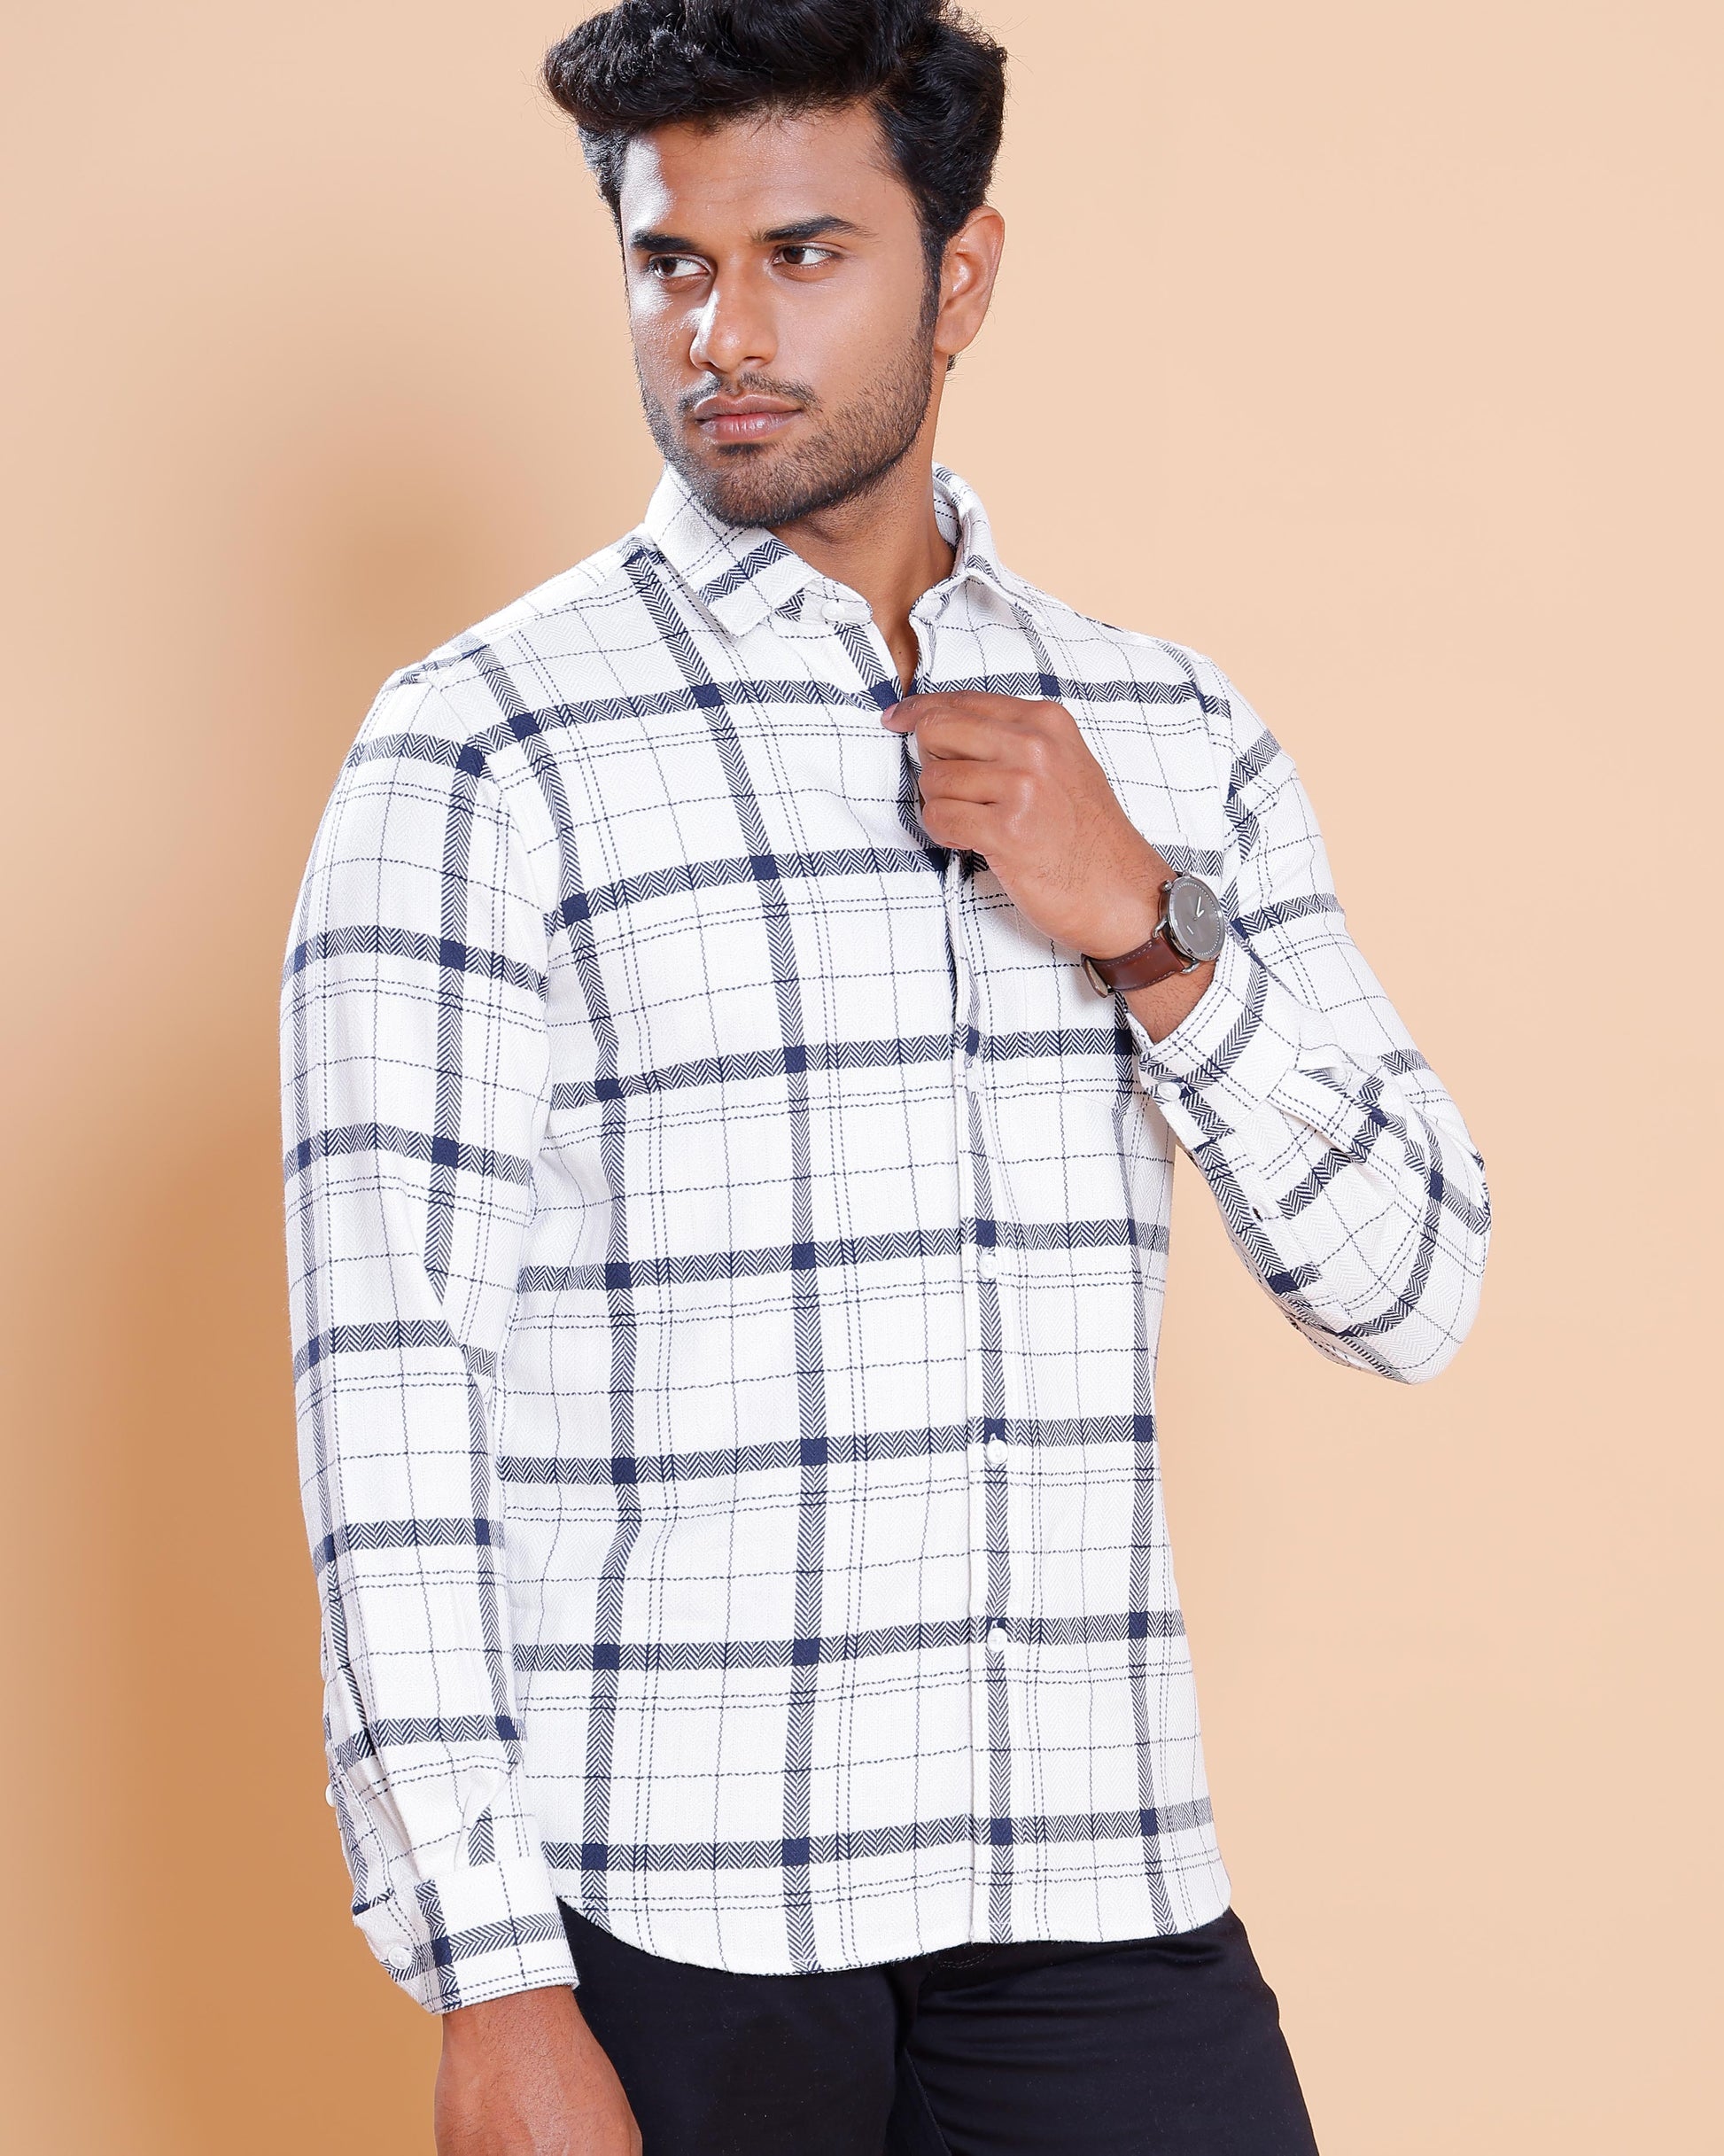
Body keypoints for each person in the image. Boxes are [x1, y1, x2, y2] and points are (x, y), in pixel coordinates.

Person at [280, 3, 1490, 2148]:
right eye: (671, 263)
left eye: (805, 254)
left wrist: (1146, 926)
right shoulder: (481, 746)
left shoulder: (1166, 731)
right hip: (673, 1921)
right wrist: (489, 1975)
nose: (723, 333)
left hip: (1093, 1888)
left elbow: (1411, 1285)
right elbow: (391, 1389)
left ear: (963, 274)